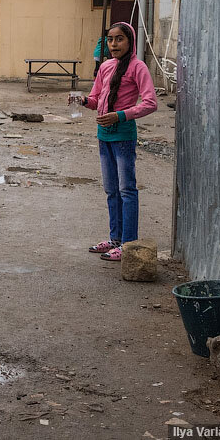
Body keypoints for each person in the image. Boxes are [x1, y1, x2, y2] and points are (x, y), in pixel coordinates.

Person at [72, 22, 157, 262]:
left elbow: (150, 103)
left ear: (130, 41)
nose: (113, 44)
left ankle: (128, 243)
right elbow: (96, 99)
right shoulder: (106, 66)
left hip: (124, 136)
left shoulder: (138, 67)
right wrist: (82, 100)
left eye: (119, 39)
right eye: (110, 40)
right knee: (111, 191)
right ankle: (115, 239)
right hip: (104, 136)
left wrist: (120, 115)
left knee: (126, 190)